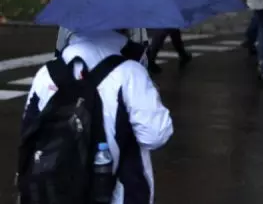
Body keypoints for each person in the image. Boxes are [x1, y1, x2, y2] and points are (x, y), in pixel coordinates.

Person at [23, 30, 173, 203]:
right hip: (118, 192)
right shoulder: (131, 73)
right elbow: (156, 135)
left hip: (52, 190)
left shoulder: (46, 73)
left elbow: (29, 132)